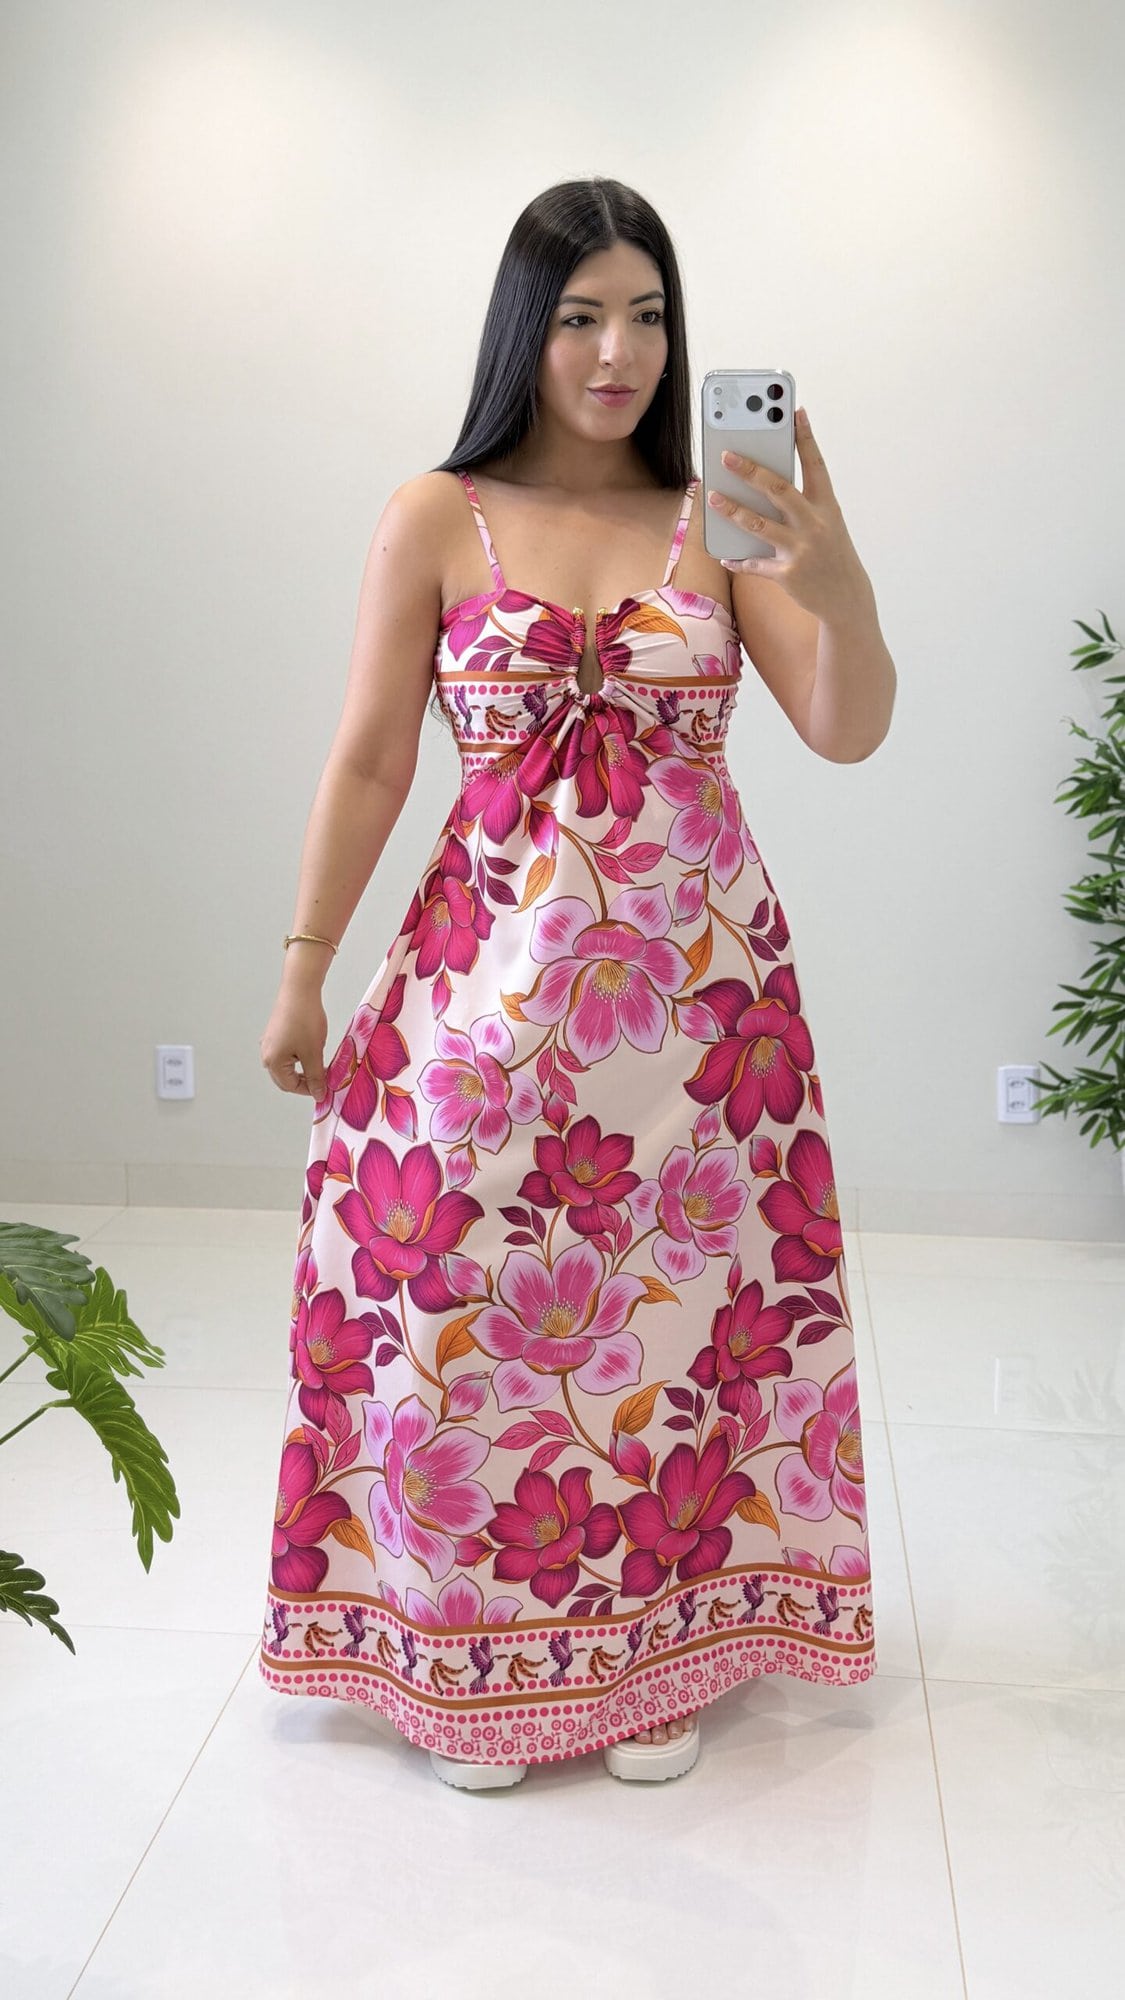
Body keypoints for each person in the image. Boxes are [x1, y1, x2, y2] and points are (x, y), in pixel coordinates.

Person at [258, 176, 894, 1793]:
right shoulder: (436, 512)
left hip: (698, 1023)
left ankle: (650, 1655)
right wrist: (304, 970)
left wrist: (835, 578)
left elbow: (846, 728)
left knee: (670, 1337)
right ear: (522, 331)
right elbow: (368, 759)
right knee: (459, 1319)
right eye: (581, 316)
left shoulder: (718, 516)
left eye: (649, 316)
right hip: (480, 1001)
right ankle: (466, 1655)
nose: (620, 352)